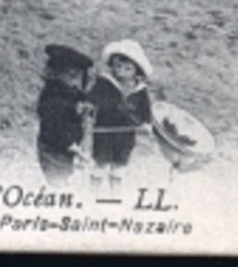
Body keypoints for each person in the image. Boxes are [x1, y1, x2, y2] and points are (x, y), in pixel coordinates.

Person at [89, 39, 155, 192]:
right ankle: (94, 190)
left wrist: (146, 122)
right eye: (118, 66)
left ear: (136, 71)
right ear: (112, 65)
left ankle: (115, 187)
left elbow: (145, 108)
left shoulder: (140, 89)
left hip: (127, 131)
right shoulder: (105, 83)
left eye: (127, 68)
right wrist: (90, 104)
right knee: (101, 160)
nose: (121, 71)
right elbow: (93, 97)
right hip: (105, 129)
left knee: (121, 160)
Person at [36, 44, 95, 186]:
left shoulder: (65, 91)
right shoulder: (53, 99)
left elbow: (80, 97)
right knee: (59, 181)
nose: (76, 82)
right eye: (73, 76)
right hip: (54, 151)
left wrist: (85, 104)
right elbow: (55, 129)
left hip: (63, 150)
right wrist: (75, 148)